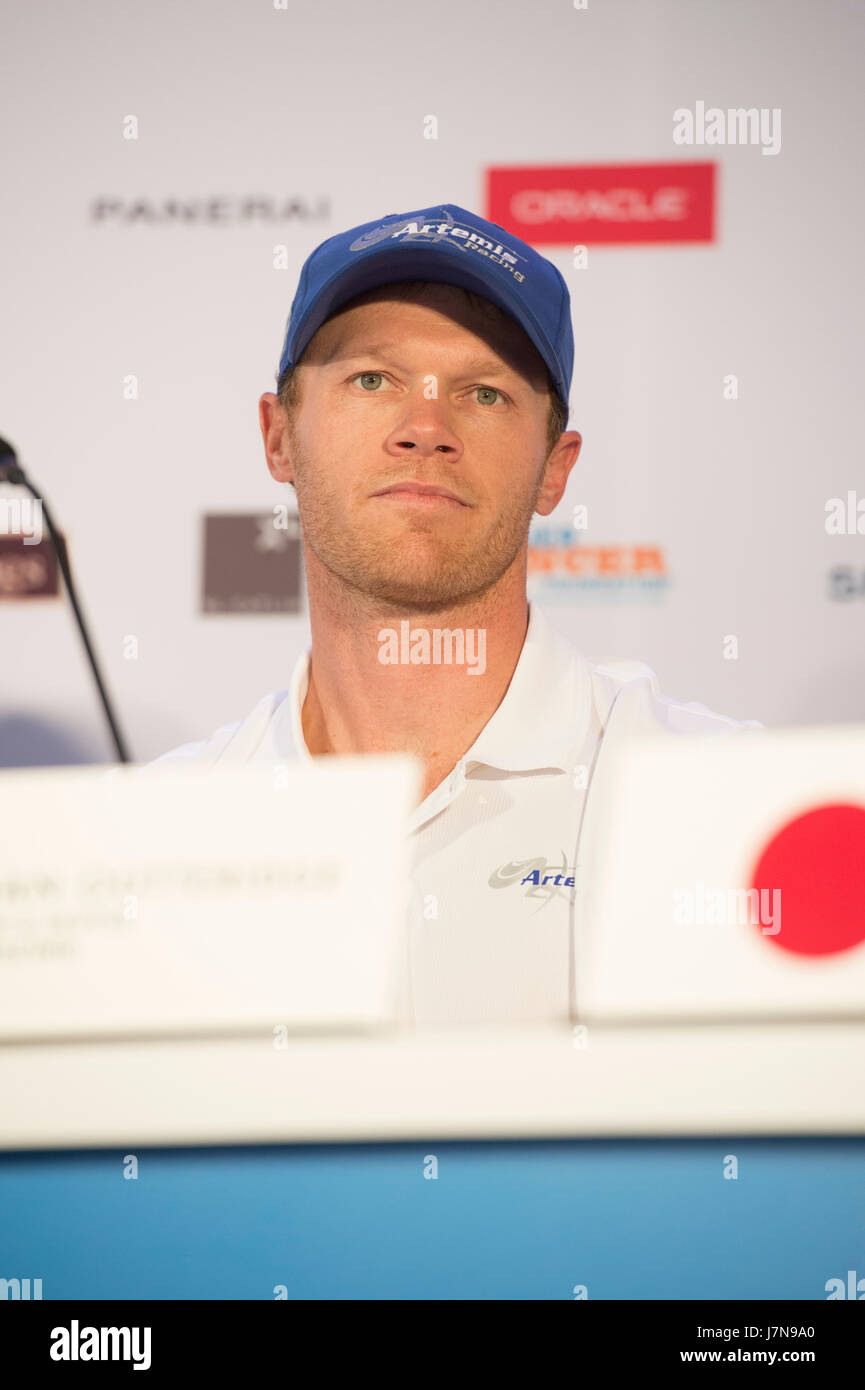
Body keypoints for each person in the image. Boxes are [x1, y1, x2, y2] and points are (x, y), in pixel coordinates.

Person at [150, 203, 762, 1025]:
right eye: (373, 379)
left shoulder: (725, 797)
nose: (425, 429)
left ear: (555, 467)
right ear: (278, 438)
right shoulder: (162, 830)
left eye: (482, 393)